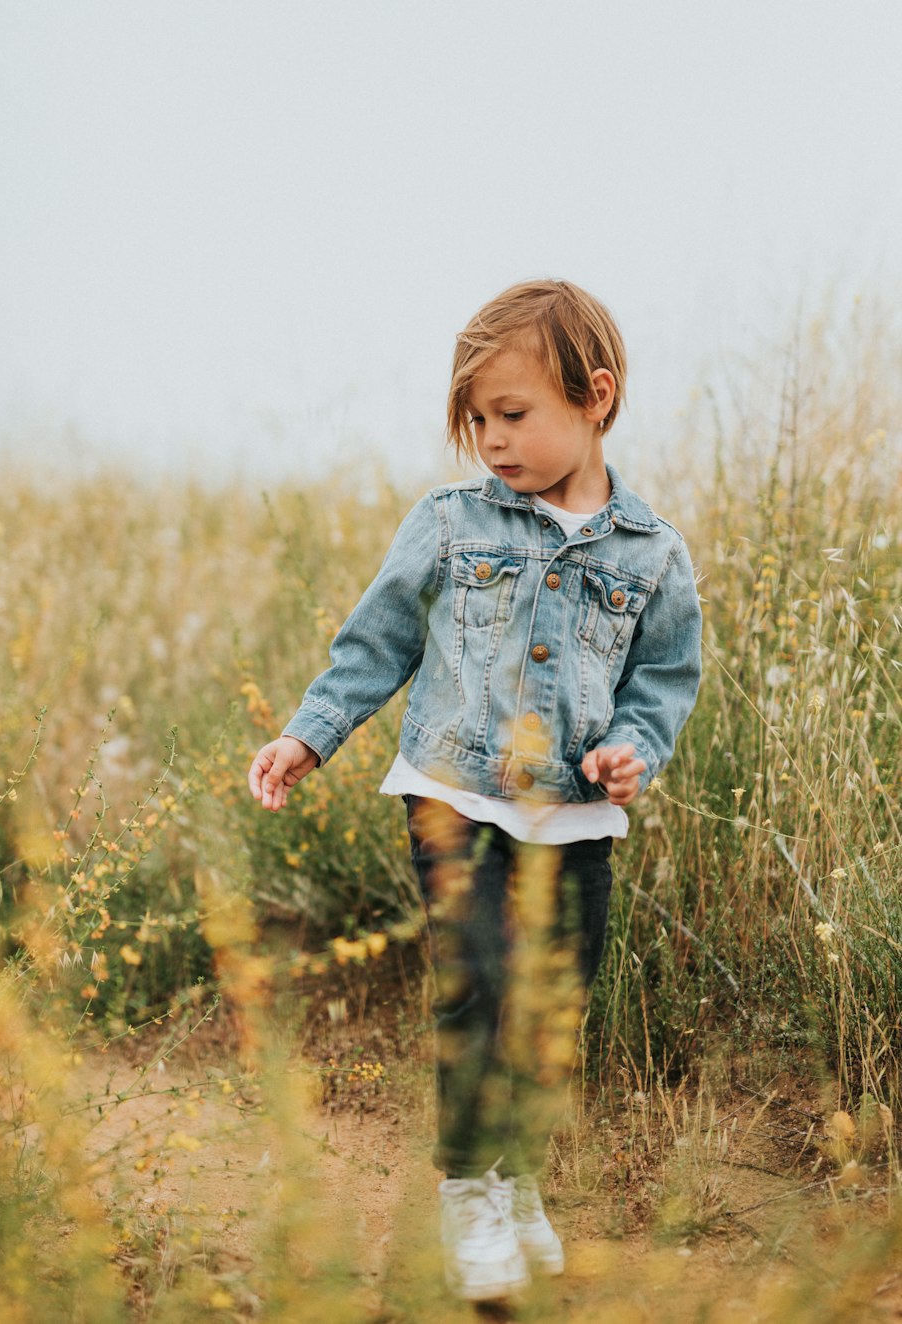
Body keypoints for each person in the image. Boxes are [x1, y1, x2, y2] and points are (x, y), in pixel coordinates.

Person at [247, 279, 702, 1302]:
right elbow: (377, 645)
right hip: (453, 795)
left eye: (512, 414)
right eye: (475, 421)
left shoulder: (651, 553)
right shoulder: (449, 524)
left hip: (575, 818)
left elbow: (662, 682)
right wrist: (307, 736)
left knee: (551, 1009)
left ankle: (517, 1180)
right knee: (479, 986)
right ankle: (466, 1197)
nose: (490, 441)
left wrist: (634, 749)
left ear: (596, 395)